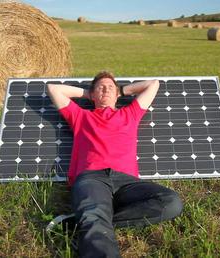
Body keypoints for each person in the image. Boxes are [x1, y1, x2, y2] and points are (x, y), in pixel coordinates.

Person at [47, 71, 183, 258]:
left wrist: (122, 90)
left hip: (127, 182)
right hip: (92, 178)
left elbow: (153, 84)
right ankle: (93, 220)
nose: (106, 89)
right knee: (95, 221)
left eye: (110, 87)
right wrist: (88, 93)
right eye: (100, 87)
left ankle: (87, 220)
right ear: (93, 94)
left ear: (117, 93)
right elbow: (53, 89)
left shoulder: (131, 113)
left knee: (172, 203)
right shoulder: (80, 117)